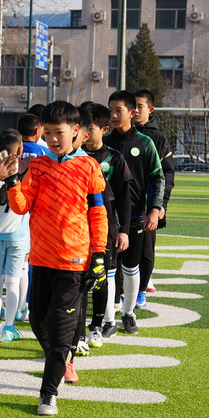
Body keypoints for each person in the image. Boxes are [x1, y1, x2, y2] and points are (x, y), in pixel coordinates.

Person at [3, 101, 108, 415]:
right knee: (38, 321)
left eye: (58, 133)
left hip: (74, 261)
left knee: (61, 326)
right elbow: (21, 206)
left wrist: (99, 254)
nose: (52, 139)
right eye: (47, 133)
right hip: (40, 260)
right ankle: (62, 358)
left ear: (75, 131)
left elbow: (98, 213)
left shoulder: (89, 167)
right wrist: (11, 181)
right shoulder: (37, 166)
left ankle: (48, 393)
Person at [104, 90, 165, 335]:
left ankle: (128, 314)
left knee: (131, 267)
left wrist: (155, 208)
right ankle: (108, 319)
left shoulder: (146, 143)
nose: (113, 115)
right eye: (110, 110)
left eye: (118, 111)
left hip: (136, 215)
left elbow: (158, 177)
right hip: (107, 218)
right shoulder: (104, 142)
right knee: (108, 270)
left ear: (131, 113)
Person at [79, 101, 133, 346]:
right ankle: (78, 329)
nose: (84, 133)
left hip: (105, 228)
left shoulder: (115, 158)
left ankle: (98, 326)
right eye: (80, 127)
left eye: (89, 128)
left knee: (102, 276)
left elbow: (124, 199)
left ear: (104, 129)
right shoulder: (73, 156)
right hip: (77, 228)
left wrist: (123, 231)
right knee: (78, 277)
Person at [0, 129, 31, 343]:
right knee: (13, 282)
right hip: (18, 236)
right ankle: (9, 327)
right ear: (20, 150)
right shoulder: (28, 173)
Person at [133, 90, 175, 302]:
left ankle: (142, 288)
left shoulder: (157, 138)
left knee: (146, 249)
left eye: (139, 106)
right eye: (133, 106)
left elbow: (167, 173)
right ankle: (122, 292)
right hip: (126, 203)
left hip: (148, 204)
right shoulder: (121, 134)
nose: (135, 110)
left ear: (150, 109)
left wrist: (161, 204)